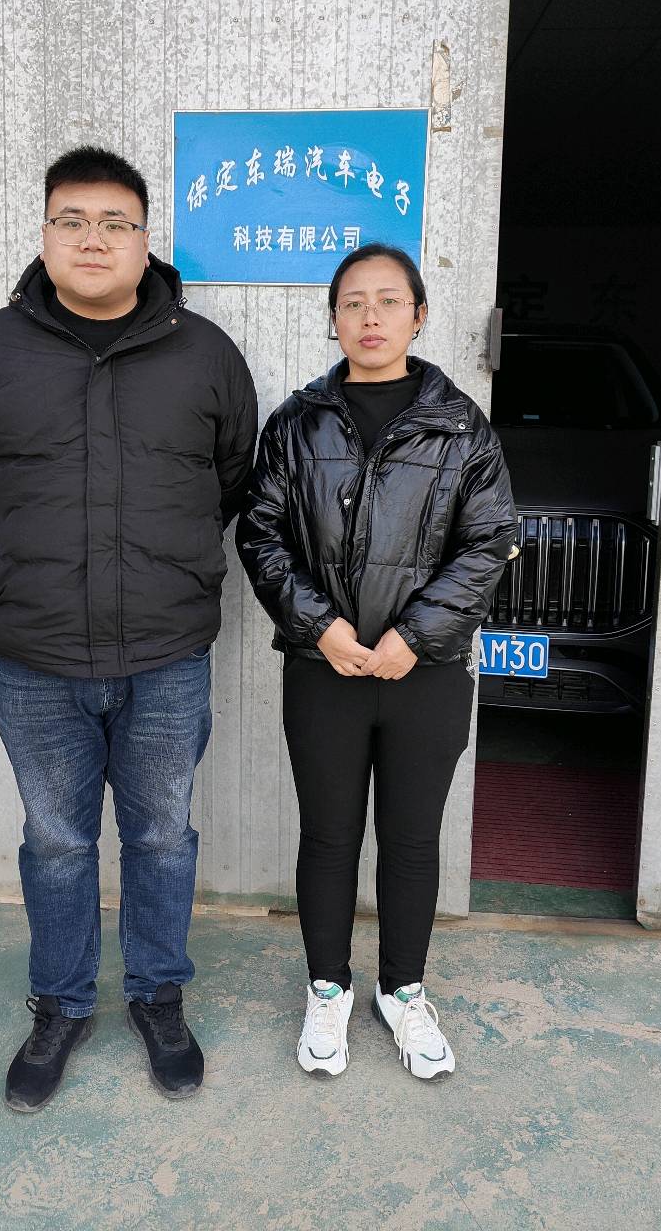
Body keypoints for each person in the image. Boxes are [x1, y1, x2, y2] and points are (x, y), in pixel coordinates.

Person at [0, 145, 257, 1112]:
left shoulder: (205, 355)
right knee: (57, 842)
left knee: (161, 837)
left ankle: (158, 996)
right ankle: (62, 1004)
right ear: (43, 234)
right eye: (71, 220)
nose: (93, 239)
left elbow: (230, 480)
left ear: (147, 241)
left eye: (116, 223)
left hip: (165, 654)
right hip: (37, 658)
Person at [236, 243, 517, 1082]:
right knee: (328, 836)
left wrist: (414, 636)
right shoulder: (297, 424)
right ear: (333, 319)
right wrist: (319, 626)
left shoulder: (462, 427)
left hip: (425, 675)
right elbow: (261, 533)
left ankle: (402, 991)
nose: (370, 317)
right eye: (353, 302)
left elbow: (488, 542)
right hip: (323, 671)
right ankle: (328, 986)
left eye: (390, 301)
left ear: (419, 316)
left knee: (411, 839)